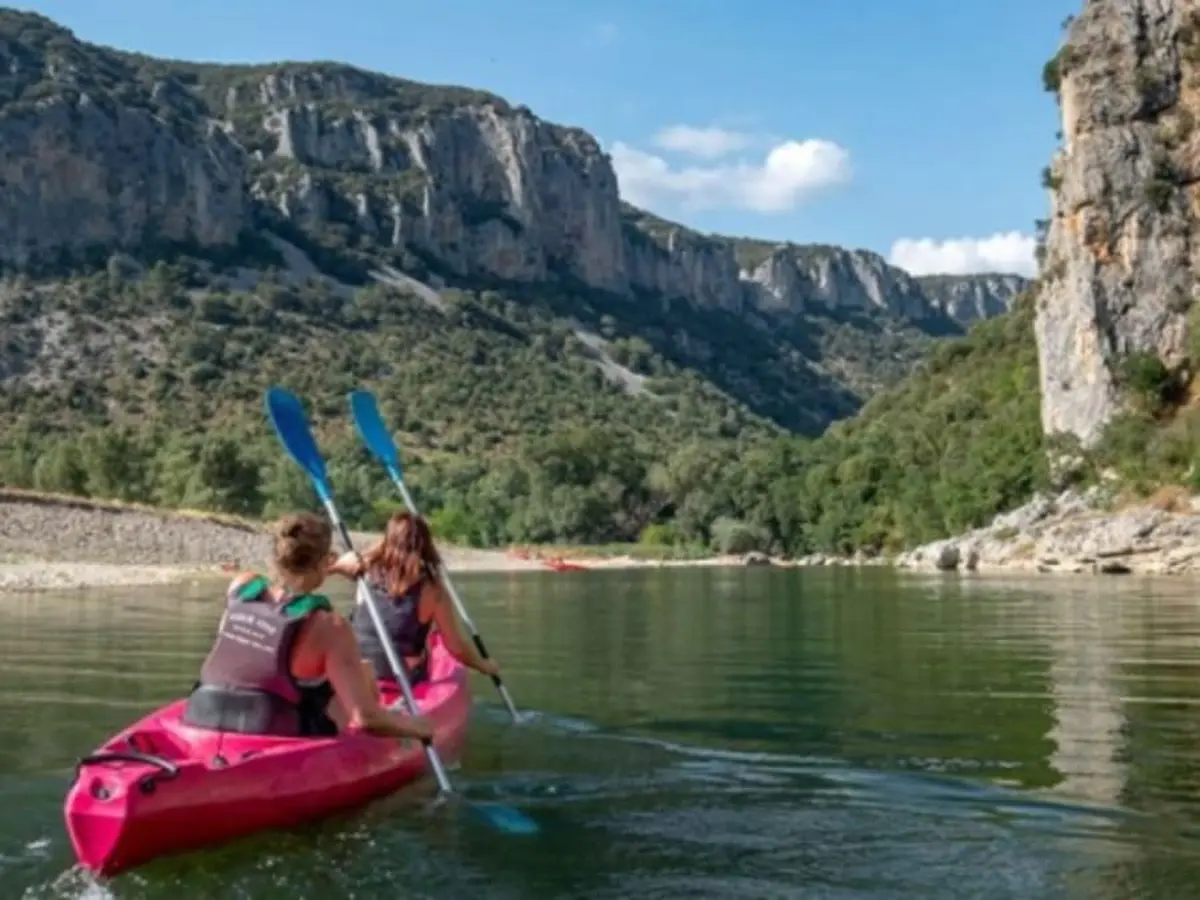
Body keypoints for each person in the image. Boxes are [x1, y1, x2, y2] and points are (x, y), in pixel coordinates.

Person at [182, 511, 434, 740]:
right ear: (324, 561)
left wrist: (329, 566)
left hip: (204, 709)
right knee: (360, 675)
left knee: (363, 669)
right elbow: (365, 719)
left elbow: (289, 587)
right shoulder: (329, 625)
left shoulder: (241, 586)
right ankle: (386, 715)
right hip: (273, 726)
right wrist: (419, 727)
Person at [330, 511, 501, 688]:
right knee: (429, 644)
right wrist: (484, 666)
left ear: (386, 541)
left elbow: (344, 564)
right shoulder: (432, 590)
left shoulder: (366, 569)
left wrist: (387, 542)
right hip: (398, 678)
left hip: (355, 668)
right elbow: (455, 647)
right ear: (425, 546)